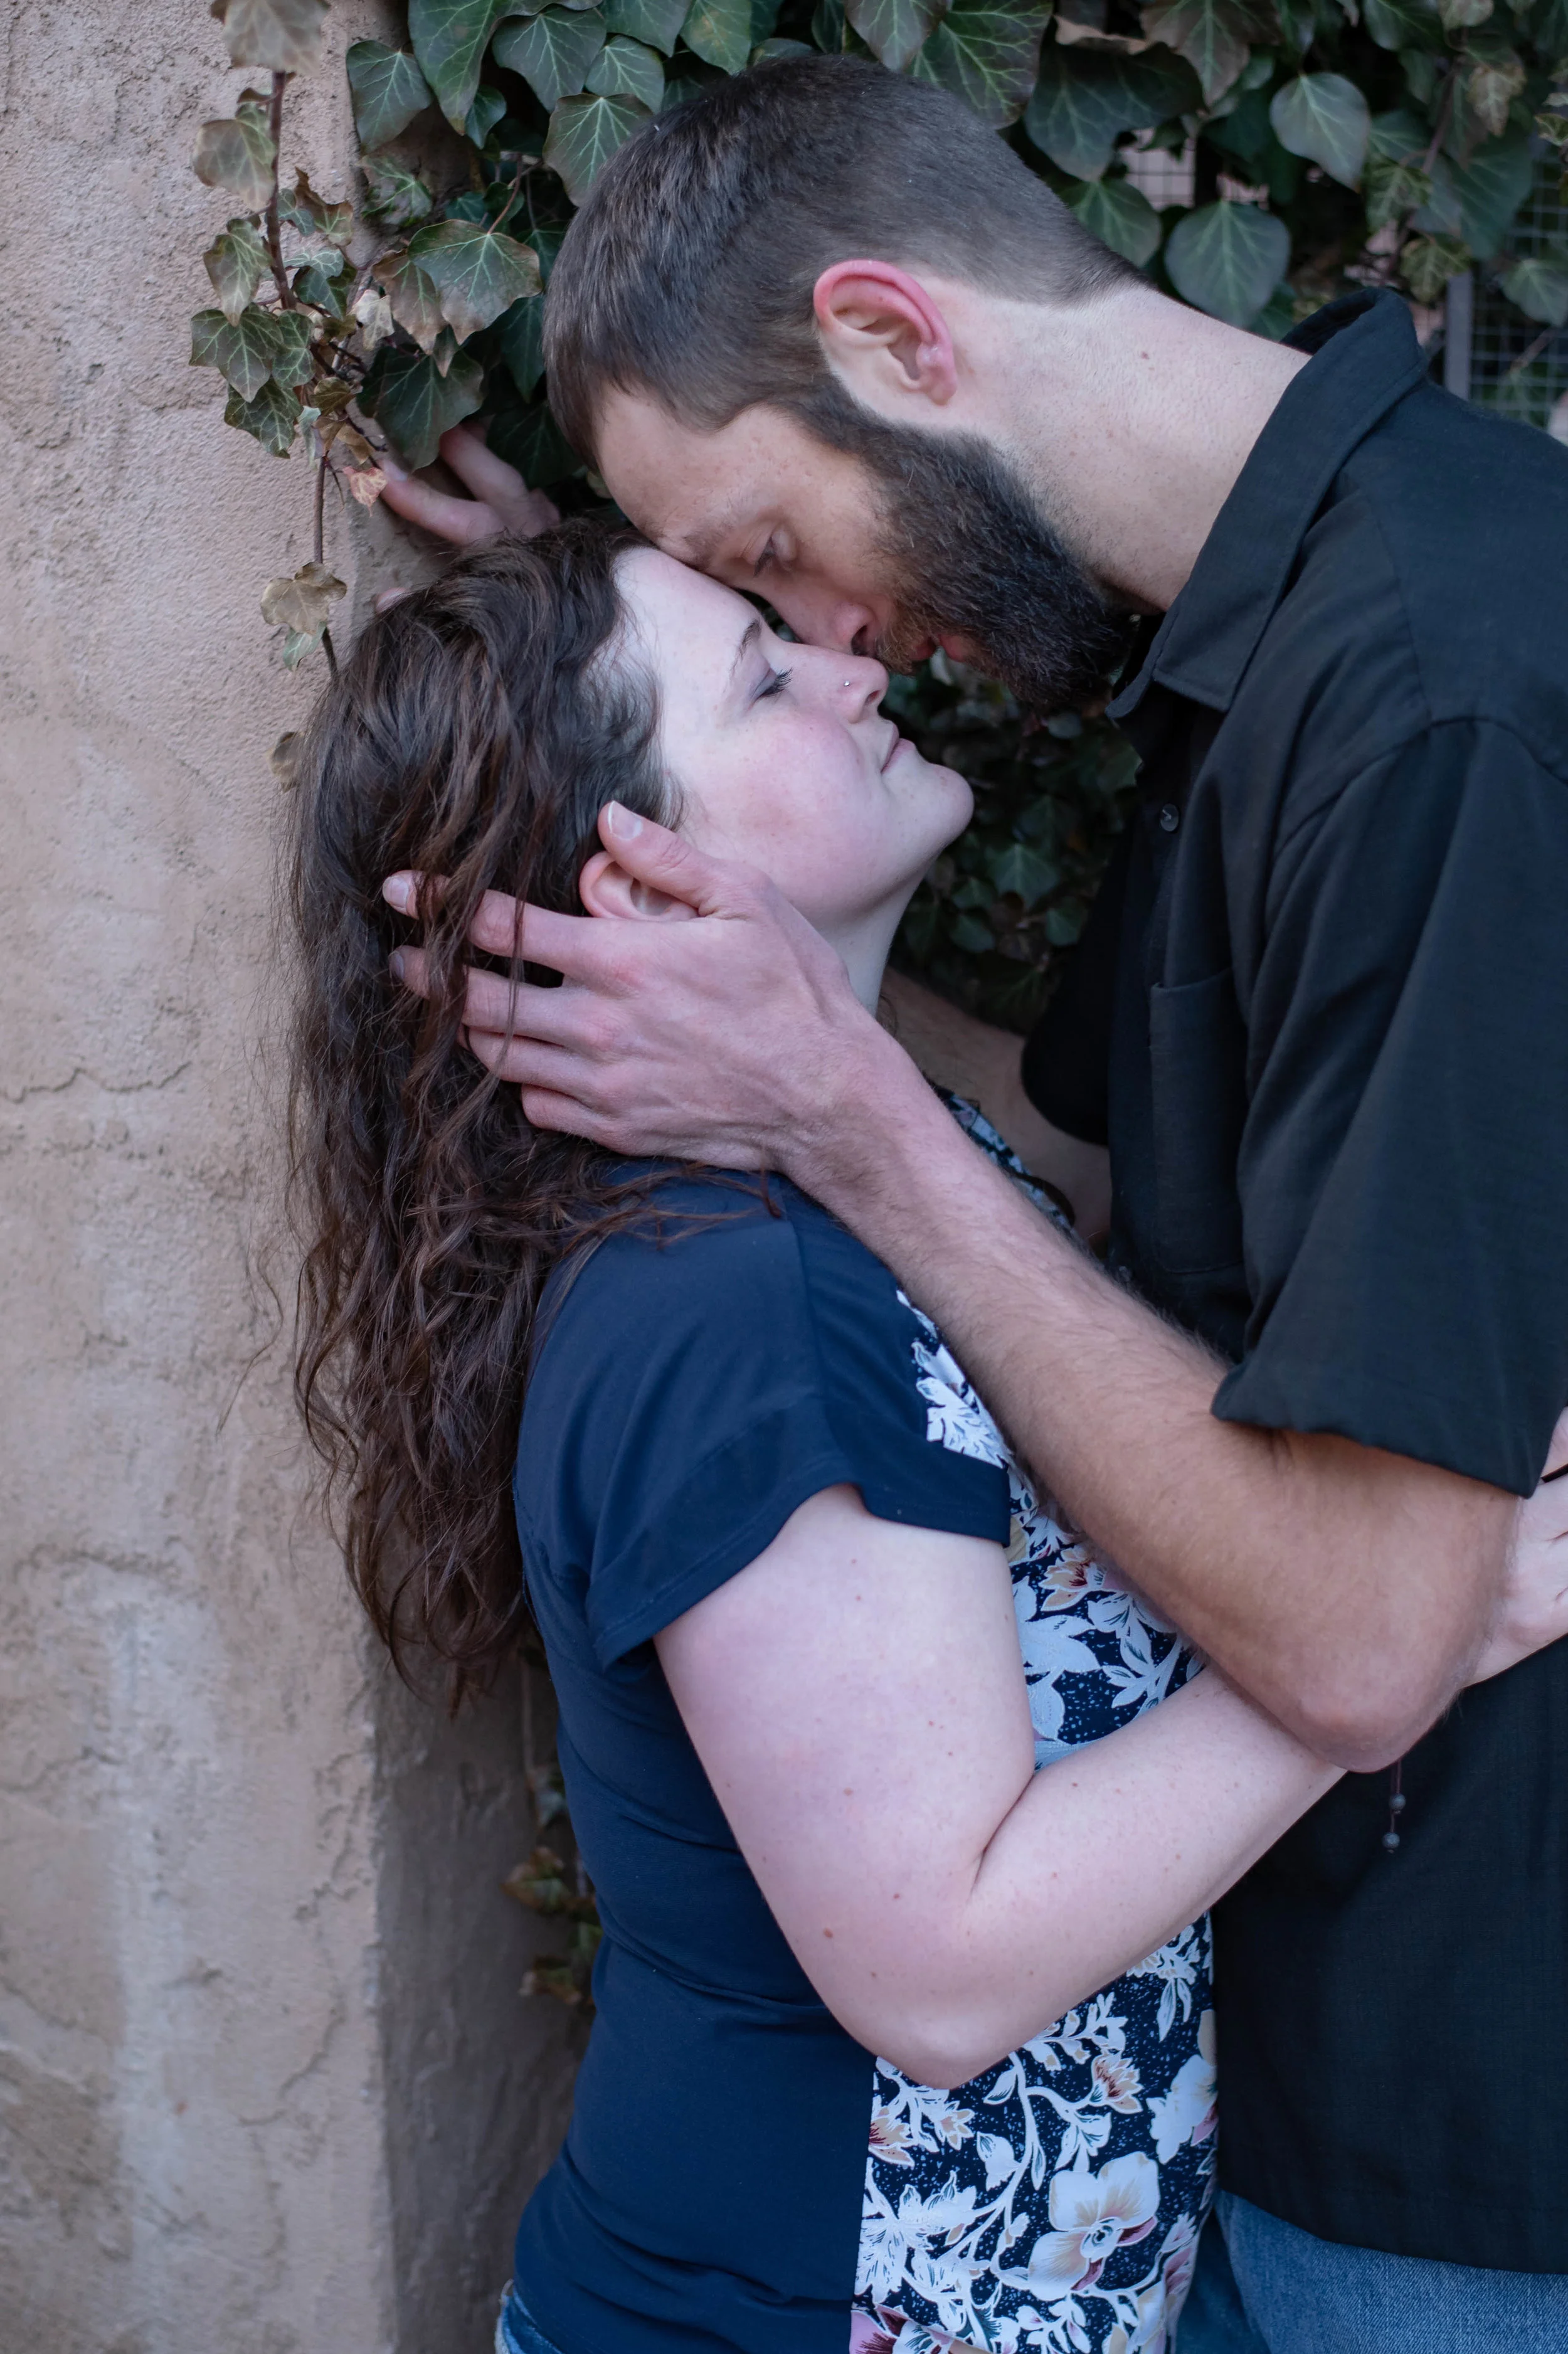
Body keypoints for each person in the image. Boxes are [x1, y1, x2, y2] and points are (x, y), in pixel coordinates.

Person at [378, 56, 1568, 2353]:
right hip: (1294, 2102)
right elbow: (1103, 1151)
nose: (831, 641)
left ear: (895, 340)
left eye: (764, 558)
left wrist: (840, 1109)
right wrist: (566, 758)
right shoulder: (1277, 648)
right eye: (752, 617)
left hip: (1460, 2122)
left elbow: (1357, 1637)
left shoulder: (1429, 702)